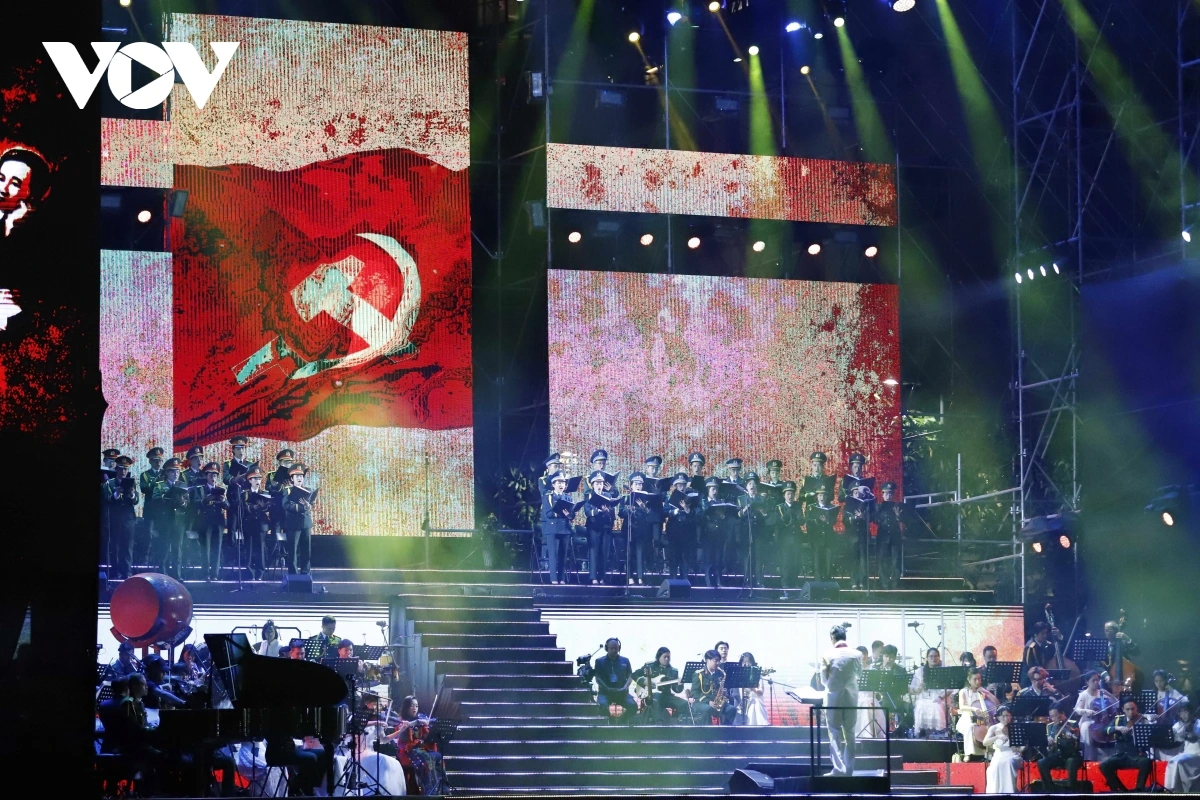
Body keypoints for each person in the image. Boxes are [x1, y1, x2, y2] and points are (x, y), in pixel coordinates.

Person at [386, 695, 446, 795]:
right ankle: (429, 788)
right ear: (406, 707)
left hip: (421, 749)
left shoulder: (420, 720)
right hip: (407, 751)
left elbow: (426, 738)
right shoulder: (401, 721)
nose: (415, 708)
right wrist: (409, 725)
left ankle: (442, 787)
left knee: (438, 756)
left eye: (416, 706)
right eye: (412, 706)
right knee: (427, 758)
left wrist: (427, 727)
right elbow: (403, 740)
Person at [821, 625, 861, 775]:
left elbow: (824, 680)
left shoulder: (827, 654)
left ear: (832, 638)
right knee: (850, 733)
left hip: (833, 698)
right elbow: (859, 675)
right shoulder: (857, 654)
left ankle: (838, 769)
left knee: (834, 732)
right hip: (851, 698)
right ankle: (849, 770)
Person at [1098, 698, 1153, 792]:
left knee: (1146, 762)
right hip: (1120, 755)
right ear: (1123, 710)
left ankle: (1139, 789)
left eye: (1133, 709)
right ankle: (1121, 790)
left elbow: (1150, 737)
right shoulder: (1118, 720)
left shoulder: (1143, 719)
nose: (1131, 712)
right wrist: (1117, 728)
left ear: (1136, 708)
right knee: (1104, 765)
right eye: (1128, 709)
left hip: (1136, 755)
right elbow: (1104, 731)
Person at [151, 458, 190, 578]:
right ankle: (163, 574)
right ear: (167, 472)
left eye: (177, 471)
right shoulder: (160, 485)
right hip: (165, 521)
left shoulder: (183, 485)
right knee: (164, 549)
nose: (175, 474)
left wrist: (182, 502)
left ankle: (177, 575)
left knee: (177, 549)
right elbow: (155, 500)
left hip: (179, 521)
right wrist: (166, 498)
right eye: (173, 471)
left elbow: (187, 503)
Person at [840, 453, 874, 589]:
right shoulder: (848, 500)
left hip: (863, 532)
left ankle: (863, 581)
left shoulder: (866, 498)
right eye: (855, 466)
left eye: (859, 467)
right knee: (854, 557)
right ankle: (854, 581)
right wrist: (854, 516)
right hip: (852, 533)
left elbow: (872, 515)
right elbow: (842, 504)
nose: (857, 469)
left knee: (864, 558)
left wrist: (864, 515)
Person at [103, 455, 140, 580]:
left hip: (128, 519)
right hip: (115, 518)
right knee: (115, 546)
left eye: (125, 469)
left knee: (128, 546)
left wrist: (132, 494)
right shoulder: (110, 483)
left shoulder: (131, 482)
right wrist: (116, 494)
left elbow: (136, 500)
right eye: (121, 468)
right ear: (116, 469)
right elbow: (106, 499)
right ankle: (115, 571)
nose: (123, 471)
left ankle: (127, 571)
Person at [0, 147, 51, 237]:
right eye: (1, 179)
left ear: (31, 195)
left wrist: (10, 228)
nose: (3, 189)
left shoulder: (36, 230)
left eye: (15, 184)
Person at [623, 472, 663, 585]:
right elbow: (621, 513)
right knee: (630, 553)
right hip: (629, 529)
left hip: (642, 529)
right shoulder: (626, 498)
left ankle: (640, 577)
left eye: (640, 484)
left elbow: (651, 515)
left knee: (640, 553)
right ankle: (630, 576)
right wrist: (628, 510)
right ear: (631, 485)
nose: (638, 486)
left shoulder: (647, 499)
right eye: (636, 484)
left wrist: (644, 508)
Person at [1075, 669, 1119, 761]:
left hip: (1103, 721)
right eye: (1093, 680)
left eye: (1097, 680)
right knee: (1086, 728)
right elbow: (1077, 710)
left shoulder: (1102, 693)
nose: (1096, 682)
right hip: (1088, 721)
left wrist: (1109, 694)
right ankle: (1089, 758)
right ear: (1087, 682)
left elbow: (1117, 704)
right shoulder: (1083, 695)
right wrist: (1087, 711)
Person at [1038, 704, 1083, 790]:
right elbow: (1049, 747)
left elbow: (1075, 741)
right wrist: (1048, 742)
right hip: (1057, 757)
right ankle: (1049, 789)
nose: (1053, 719)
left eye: (1055, 716)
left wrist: (1069, 736)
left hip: (1071, 756)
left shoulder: (1072, 724)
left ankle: (1071, 790)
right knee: (1041, 762)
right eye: (1051, 716)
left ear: (1062, 713)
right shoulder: (1050, 726)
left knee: (1071, 762)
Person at [956, 667, 998, 757]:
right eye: (975, 679)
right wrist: (974, 709)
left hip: (982, 718)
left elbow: (997, 703)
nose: (978, 682)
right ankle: (969, 753)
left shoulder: (982, 691)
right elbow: (962, 707)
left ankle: (990, 751)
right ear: (969, 680)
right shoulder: (963, 691)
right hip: (967, 716)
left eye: (979, 679)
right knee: (970, 726)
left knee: (993, 727)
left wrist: (987, 692)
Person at [584, 471, 617, 585]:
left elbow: (612, 512)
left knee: (604, 552)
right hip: (593, 527)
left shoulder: (608, 496)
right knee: (594, 552)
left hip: (605, 527)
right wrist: (598, 510)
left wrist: (608, 511)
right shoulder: (589, 495)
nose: (599, 485)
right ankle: (593, 577)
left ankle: (602, 576)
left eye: (601, 483)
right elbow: (587, 511)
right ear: (592, 484)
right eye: (597, 483)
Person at [594, 638, 638, 722]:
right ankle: (611, 722)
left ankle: (621, 721)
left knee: (633, 706)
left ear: (619, 648)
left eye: (616, 648)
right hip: (605, 692)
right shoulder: (599, 661)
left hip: (622, 693)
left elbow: (630, 676)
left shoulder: (625, 660)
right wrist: (607, 688)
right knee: (602, 706)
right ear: (607, 648)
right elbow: (598, 678)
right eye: (611, 648)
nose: (614, 650)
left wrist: (625, 688)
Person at [910, 648, 952, 737]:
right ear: (927, 658)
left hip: (940, 698)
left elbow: (950, 688)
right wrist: (919, 688)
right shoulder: (920, 671)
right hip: (924, 698)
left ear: (939, 657)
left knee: (936, 706)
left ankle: (939, 732)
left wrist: (940, 697)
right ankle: (922, 733)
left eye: (936, 656)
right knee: (920, 706)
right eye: (931, 656)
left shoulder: (945, 671)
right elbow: (912, 689)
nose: (933, 658)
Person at [639, 647, 687, 724]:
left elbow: (676, 690)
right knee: (657, 699)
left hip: (667, 696)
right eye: (665, 657)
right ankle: (660, 724)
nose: (667, 659)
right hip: (651, 696)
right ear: (658, 657)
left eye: (668, 657)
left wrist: (680, 685)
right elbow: (636, 676)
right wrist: (645, 682)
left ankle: (675, 722)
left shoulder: (673, 671)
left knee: (684, 704)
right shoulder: (649, 666)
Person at [540, 471, 573, 584]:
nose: (561, 485)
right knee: (553, 555)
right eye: (559, 482)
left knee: (563, 556)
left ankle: (562, 578)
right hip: (553, 529)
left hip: (565, 529)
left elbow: (572, 514)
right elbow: (548, 513)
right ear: (553, 484)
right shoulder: (548, 497)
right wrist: (561, 513)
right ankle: (554, 578)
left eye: (563, 482)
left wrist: (569, 514)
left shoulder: (567, 497)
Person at [737, 473, 769, 587]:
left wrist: (763, 512)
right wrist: (747, 508)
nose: (752, 486)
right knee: (747, 556)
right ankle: (747, 579)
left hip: (759, 531)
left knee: (759, 556)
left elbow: (767, 515)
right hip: (746, 531)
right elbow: (738, 514)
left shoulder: (762, 499)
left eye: (754, 484)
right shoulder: (742, 499)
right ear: (746, 486)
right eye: (750, 483)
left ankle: (759, 580)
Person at [699, 478, 732, 587]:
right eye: (712, 489)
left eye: (716, 489)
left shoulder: (721, 502)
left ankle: (718, 581)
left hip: (719, 534)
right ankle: (708, 582)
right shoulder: (704, 502)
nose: (715, 491)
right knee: (708, 559)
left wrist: (723, 516)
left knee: (718, 559)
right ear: (708, 490)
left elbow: (725, 519)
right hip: (708, 534)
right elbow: (701, 516)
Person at [664, 474, 698, 580]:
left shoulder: (691, 498)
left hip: (687, 529)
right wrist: (673, 512)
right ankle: (673, 579)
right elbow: (664, 511)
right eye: (679, 485)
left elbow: (698, 512)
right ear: (675, 486)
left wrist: (688, 510)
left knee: (685, 556)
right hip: (674, 529)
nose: (681, 487)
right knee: (673, 556)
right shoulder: (671, 497)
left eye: (683, 485)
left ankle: (685, 579)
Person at [689, 649, 735, 725]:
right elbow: (694, 693)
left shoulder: (720, 673)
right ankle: (708, 731)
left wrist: (724, 693)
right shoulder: (699, 674)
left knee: (731, 709)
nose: (718, 663)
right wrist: (708, 701)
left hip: (716, 703)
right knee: (708, 709)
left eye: (719, 661)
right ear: (707, 660)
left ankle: (725, 730)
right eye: (715, 661)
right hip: (701, 702)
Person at [242, 467, 272, 580]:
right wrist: (253, 507)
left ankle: (260, 573)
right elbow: (242, 507)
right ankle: (250, 573)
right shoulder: (245, 494)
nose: (257, 481)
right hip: (249, 524)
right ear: (250, 480)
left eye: (259, 478)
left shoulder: (265, 493)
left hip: (261, 524)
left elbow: (269, 507)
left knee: (260, 548)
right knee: (249, 549)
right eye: (255, 478)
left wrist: (265, 506)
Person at [983, 706, 1022, 793]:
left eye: (1008, 715)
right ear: (998, 717)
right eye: (1003, 716)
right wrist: (997, 737)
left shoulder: (1016, 727)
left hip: (1013, 754)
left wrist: (1019, 749)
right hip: (999, 754)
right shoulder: (994, 728)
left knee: (1009, 762)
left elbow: (1023, 745)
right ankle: (997, 792)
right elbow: (985, 742)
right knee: (996, 765)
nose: (1006, 718)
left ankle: (1010, 791)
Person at [775, 481, 804, 599]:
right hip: (785, 541)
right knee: (786, 564)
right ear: (784, 495)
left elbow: (802, 521)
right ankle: (785, 587)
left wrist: (798, 515)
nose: (790, 496)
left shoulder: (797, 506)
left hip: (796, 539)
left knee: (796, 563)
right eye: (787, 494)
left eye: (792, 493)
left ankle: (795, 585)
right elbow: (779, 524)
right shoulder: (780, 507)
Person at [284, 464, 315, 574]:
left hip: (306, 523)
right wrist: (301, 507)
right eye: (297, 476)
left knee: (306, 550)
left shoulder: (308, 490)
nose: (299, 478)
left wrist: (308, 506)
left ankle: (306, 572)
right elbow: (285, 505)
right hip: (293, 524)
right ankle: (293, 574)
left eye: (301, 476)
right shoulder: (288, 490)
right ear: (292, 479)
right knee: (292, 550)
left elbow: (311, 504)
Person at [804, 486, 839, 581]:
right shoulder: (811, 507)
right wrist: (817, 521)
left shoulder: (831, 507)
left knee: (828, 559)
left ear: (827, 497)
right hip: (816, 537)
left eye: (824, 495)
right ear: (817, 497)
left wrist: (827, 521)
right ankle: (818, 580)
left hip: (828, 537)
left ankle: (827, 579)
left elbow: (834, 520)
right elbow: (808, 521)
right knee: (817, 559)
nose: (822, 497)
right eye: (820, 495)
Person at [875, 482, 906, 588]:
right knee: (883, 559)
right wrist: (880, 518)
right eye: (886, 493)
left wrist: (898, 516)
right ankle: (884, 582)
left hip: (895, 536)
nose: (889, 496)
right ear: (882, 494)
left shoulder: (897, 506)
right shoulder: (879, 506)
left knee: (896, 559)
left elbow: (904, 519)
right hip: (883, 536)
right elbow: (875, 519)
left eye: (891, 493)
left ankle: (895, 582)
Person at [1166, 702, 1200, 793]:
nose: (1183, 715)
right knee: (1172, 761)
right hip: (1187, 754)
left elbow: (1193, 739)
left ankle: (1180, 789)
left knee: (1178, 761)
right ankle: (1170, 789)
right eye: (1181, 712)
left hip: (1197, 755)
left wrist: (1186, 734)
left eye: (1185, 711)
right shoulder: (1179, 725)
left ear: (1191, 712)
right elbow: (1171, 736)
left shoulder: (1198, 724)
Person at [1100, 620, 1141, 691]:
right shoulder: (1102, 646)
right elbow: (1096, 665)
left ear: (1116, 631)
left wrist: (1128, 640)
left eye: (1109, 630)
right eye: (1105, 630)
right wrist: (1105, 675)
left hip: (1125, 679)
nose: (1107, 632)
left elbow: (1136, 653)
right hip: (1108, 681)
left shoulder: (1123, 643)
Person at [733, 652, 769, 726]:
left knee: (755, 702)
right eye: (744, 662)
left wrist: (753, 688)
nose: (746, 664)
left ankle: (759, 725)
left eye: (749, 662)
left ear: (752, 663)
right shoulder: (737, 676)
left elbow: (761, 692)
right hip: (742, 703)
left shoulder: (757, 675)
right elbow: (735, 694)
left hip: (755, 699)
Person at [98, 676, 131, 753]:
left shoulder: (103, 705)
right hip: (125, 748)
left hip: (107, 746)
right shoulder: (131, 705)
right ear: (126, 688)